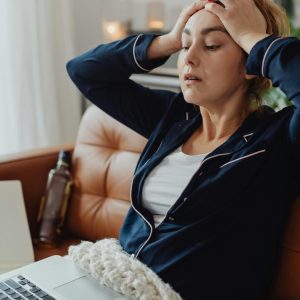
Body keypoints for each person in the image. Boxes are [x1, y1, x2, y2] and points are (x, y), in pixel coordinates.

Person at [66, 0, 300, 299]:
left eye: (212, 45)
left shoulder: (278, 140)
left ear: (251, 64)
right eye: (186, 45)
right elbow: (84, 71)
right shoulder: (173, 117)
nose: (188, 58)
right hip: (115, 282)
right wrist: (167, 41)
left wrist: (254, 38)